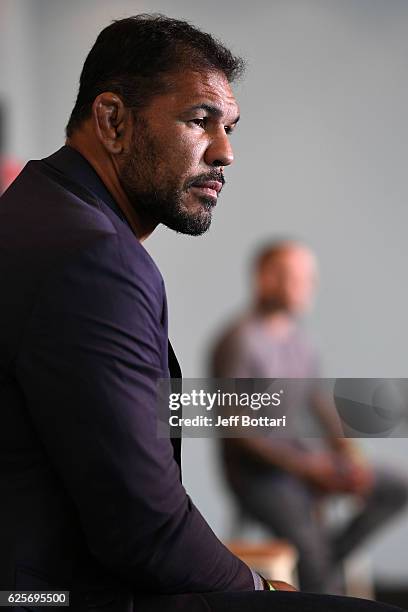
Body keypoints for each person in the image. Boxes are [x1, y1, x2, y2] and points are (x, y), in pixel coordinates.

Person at [0, 14, 405, 612]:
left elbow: (308, 401)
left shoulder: (39, 209)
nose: (226, 152)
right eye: (200, 121)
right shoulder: (96, 258)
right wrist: (259, 588)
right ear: (112, 120)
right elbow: (146, 525)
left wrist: (345, 453)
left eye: (230, 128)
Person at [211, 240, 408, 595]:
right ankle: (320, 570)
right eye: (298, 278)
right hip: (260, 478)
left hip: (306, 465)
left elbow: (320, 405)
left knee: (396, 487)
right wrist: (309, 470)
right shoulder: (239, 341)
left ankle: (324, 557)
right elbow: (239, 431)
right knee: (310, 545)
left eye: (310, 278)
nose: (309, 287)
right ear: (266, 279)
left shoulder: (301, 342)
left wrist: (349, 457)